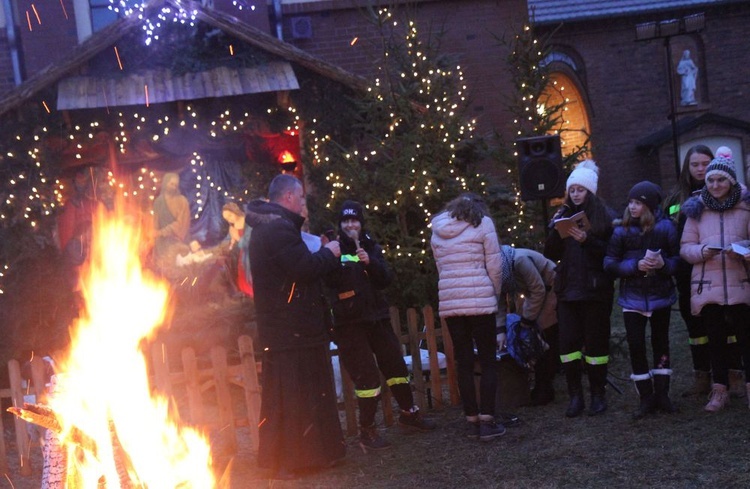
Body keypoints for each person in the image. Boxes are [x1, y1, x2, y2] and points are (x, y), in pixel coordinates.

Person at [245, 174, 345, 479]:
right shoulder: (278, 229)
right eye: (301, 197)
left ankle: (307, 456)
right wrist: (330, 253)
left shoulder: (274, 227)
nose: (303, 203)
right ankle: (295, 459)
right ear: (289, 197)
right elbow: (303, 269)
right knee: (294, 396)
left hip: (289, 329)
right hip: (291, 330)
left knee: (292, 395)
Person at [324, 200, 436, 451]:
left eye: (354, 220)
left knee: (396, 367)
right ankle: (367, 431)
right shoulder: (333, 248)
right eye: (346, 221)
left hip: (377, 319)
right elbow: (328, 281)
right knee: (367, 379)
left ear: (361, 222)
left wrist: (369, 263)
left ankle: (409, 414)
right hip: (350, 324)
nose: (350, 225)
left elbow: (385, 279)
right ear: (340, 224)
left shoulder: (371, 246)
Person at [665, 145, 746, 398]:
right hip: (694, 273)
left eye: (705, 164)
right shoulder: (679, 201)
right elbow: (673, 237)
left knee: (735, 329)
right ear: (686, 168)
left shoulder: (741, 202)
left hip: (733, 274)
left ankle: (734, 374)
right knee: (700, 331)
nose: (701, 170)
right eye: (695, 165)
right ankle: (703, 374)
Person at [430, 193, 506, 441]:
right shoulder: (483, 223)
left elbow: (440, 266)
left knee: (463, 360)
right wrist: (493, 292)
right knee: (487, 360)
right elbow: (494, 264)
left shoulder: (438, 229)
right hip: (480, 300)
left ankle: (471, 418)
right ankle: (487, 419)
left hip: (452, 302)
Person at [544, 160, 615, 418]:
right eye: (572, 189)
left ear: (590, 192)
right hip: (568, 292)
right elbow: (550, 253)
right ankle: (576, 397)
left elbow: (610, 254)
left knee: (596, 347)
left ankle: (598, 394)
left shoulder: (604, 217)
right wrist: (554, 229)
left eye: (580, 190)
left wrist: (588, 241)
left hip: (595, 291)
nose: (575, 194)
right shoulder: (562, 215)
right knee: (568, 347)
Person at [604, 181, 680, 419]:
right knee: (636, 345)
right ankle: (645, 397)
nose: (632, 207)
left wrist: (664, 264)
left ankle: (662, 394)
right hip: (632, 299)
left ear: (649, 205)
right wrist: (634, 266)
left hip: (660, 297)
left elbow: (679, 260)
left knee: (661, 343)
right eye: (631, 202)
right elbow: (609, 263)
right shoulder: (621, 231)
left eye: (638, 203)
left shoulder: (666, 228)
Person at [497, 245, 558, 406]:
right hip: (534, 293)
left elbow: (538, 289)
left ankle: (544, 388)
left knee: (543, 334)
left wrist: (527, 320)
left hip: (552, 287)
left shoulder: (520, 260)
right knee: (531, 335)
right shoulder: (499, 273)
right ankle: (539, 386)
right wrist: (501, 330)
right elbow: (500, 302)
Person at [153, 172, 191, 271]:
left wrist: (163, 231)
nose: (173, 187)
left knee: (174, 269)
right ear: (165, 183)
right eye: (171, 184)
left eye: (175, 185)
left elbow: (182, 223)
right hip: (160, 242)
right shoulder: (158, 201)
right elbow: (155, 222)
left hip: (175, 240)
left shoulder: (182, 201)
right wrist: (154, 233)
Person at [221, 202, 253, 297]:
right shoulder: (232, 227)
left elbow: (250, 242)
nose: (229, 219)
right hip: (239, 258)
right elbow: (228, 241)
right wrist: (229, 244)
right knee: (241, 279)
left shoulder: (249, 223)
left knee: (250, 279)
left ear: (235, 211)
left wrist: (237, 238)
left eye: (230, 215)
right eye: (227, 219)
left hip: (249, 257)